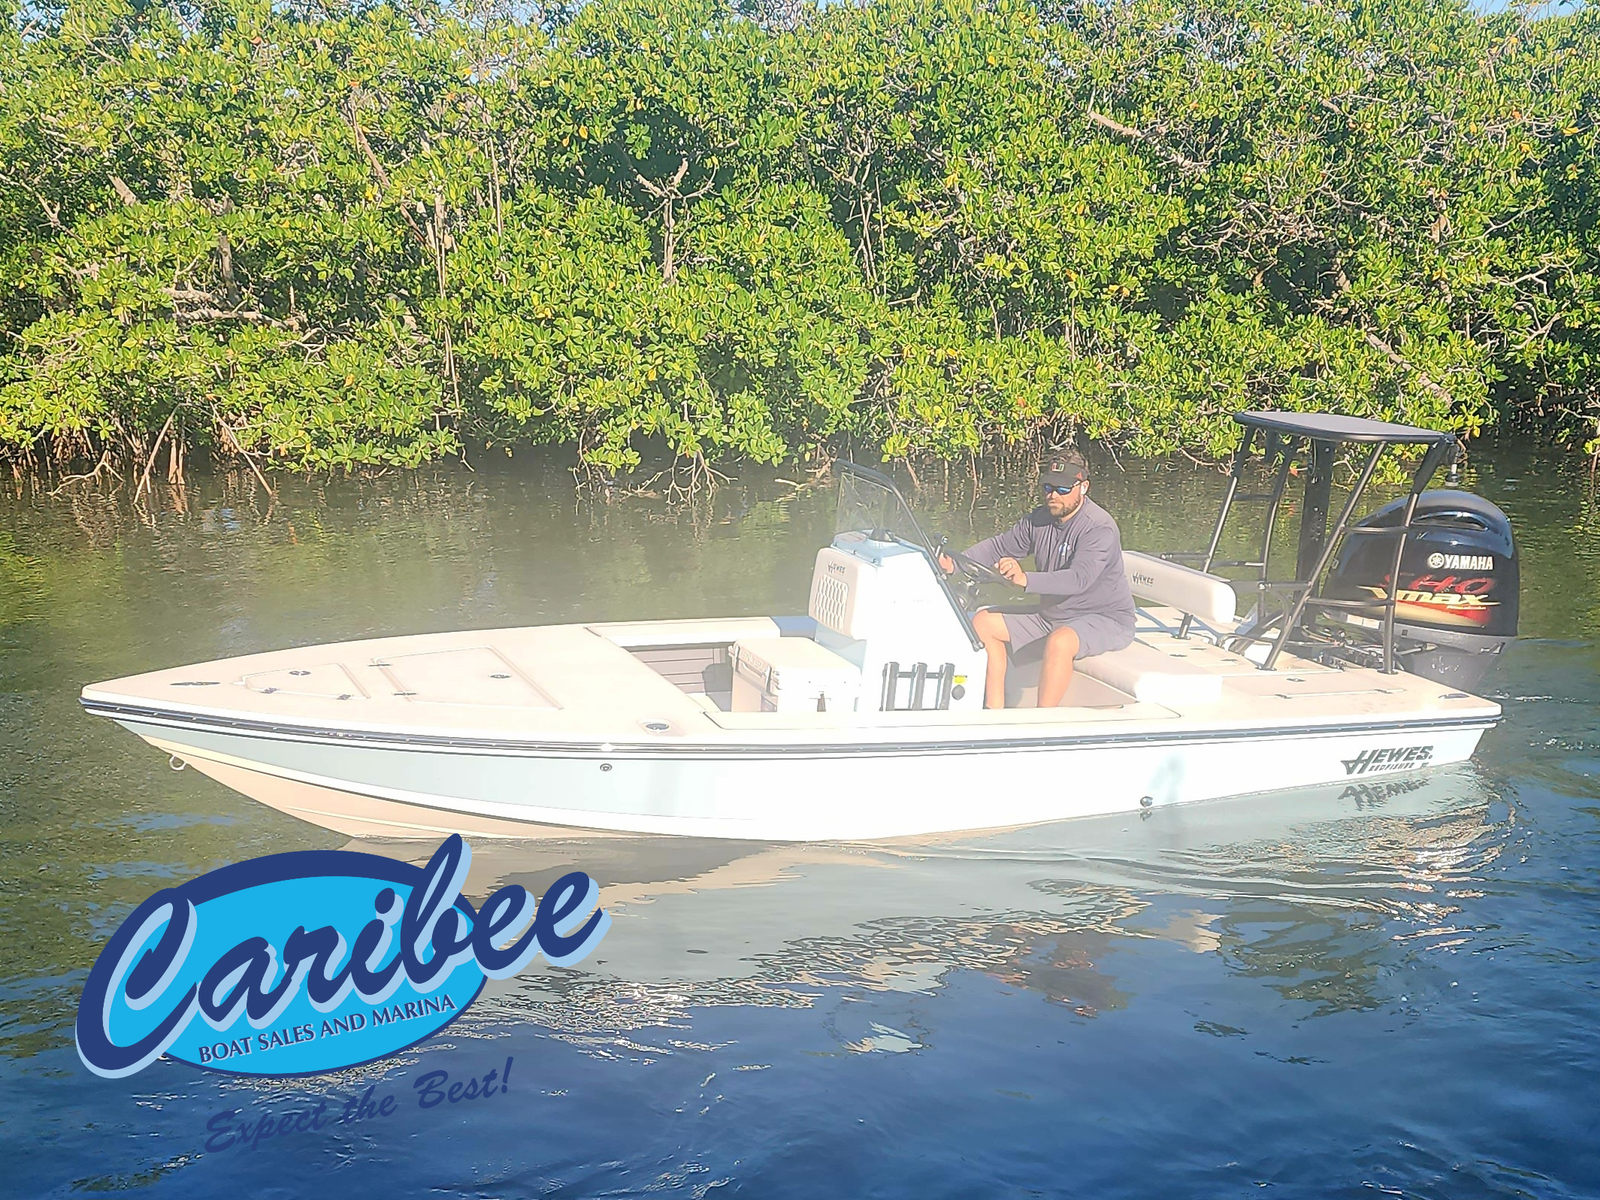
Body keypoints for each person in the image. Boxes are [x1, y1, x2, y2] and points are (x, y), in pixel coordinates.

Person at [940, 449, 1135, 708]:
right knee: (983, 622)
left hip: (1104, 618)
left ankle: (1042, 719)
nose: (1053, 495)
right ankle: (994, 713)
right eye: (1048, 487)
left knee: (1061, 641)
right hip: (1053, 614)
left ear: (1083, 487)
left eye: (1063, 489)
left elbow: (1079, 579)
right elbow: (1000, 546)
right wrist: (954, 563)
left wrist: (1025, 580)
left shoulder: (1099, 528)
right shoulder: (1039, 519)